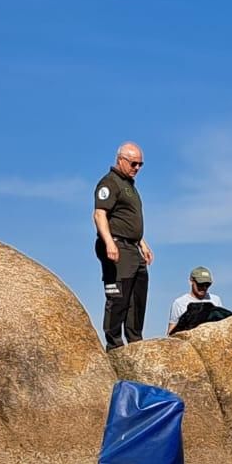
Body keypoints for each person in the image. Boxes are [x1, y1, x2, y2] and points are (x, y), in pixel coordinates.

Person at [94, 142, 154, 347]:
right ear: (121, 160)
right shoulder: (110, 182)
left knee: (137, 297)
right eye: (134, 163)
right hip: (117, 246)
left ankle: (136, 341)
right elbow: (100, 214)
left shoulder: (130, 186)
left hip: (133, 247)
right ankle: (114, 345)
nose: (137, 168)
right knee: (118, 297)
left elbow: (129, 221)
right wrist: (109, 243)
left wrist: (142, 243)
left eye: (141, 165)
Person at [167, 266, 222, 334]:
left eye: (207, 285)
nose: (204, 287)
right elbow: (171, 331)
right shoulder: (179, 303)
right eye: (200, 284)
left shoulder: (216, 300)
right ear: (191, 281)